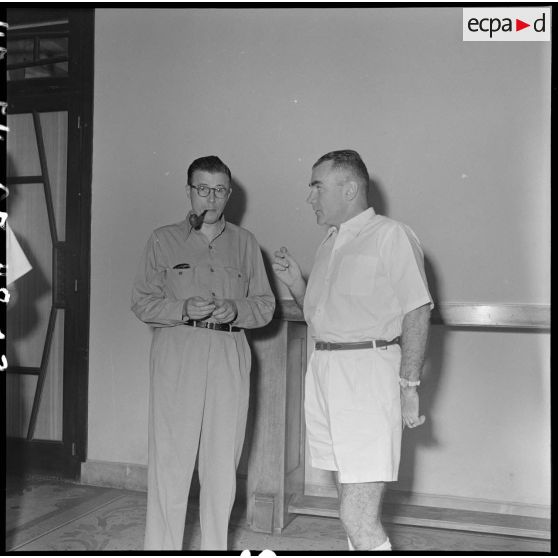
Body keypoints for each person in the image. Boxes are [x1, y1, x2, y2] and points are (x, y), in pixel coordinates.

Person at [272, 150, 433, 551]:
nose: (310, 197)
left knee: (357, 516)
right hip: (325, 372)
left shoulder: (391, 235)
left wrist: (409, 386)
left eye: (317, 187)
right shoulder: (329, 244)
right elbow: (325, 319)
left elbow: (417, 309)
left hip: (367, 377)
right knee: (346, 503)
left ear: (349, 189)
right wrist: (296, 284)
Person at [131, 155, 275, 550]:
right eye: (203, 189)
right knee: (170, 462)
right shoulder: (162, 240)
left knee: (222, 464)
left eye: (219, 191)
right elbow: (142, 302)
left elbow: (265, 305)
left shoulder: (246, 243)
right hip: (178, 352)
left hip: (229, 352)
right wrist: (181, 308)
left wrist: (236, 309)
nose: (211, 198)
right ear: (189, 191)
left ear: (229, 195)